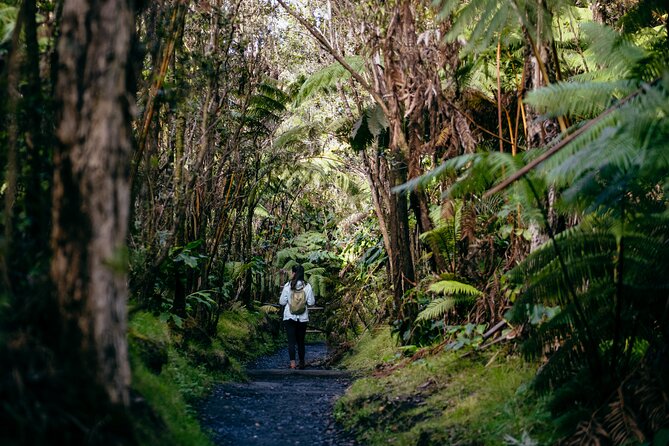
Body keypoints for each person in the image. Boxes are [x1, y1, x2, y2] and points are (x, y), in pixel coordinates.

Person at [279, 264, 315, 369]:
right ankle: (302, 362)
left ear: (294, 273)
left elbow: (282, 302)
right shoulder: (307, 286)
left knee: (291, 341)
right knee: (301, 341)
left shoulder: (287, 285)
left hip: (289, 317)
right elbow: (311, 302)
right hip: (302, 318)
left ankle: (292, 364)